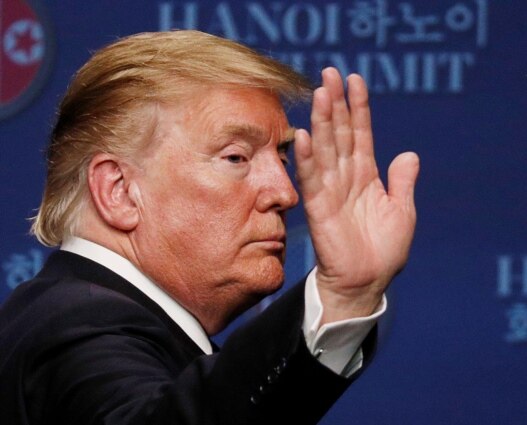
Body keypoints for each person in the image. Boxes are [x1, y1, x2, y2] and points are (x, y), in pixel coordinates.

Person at [0, 30, 419, 424]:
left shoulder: (84, 318)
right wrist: (342, 297)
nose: (285, 193)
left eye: (283, 158)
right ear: (120, 192)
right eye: (236, 158)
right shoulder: (79, 328)